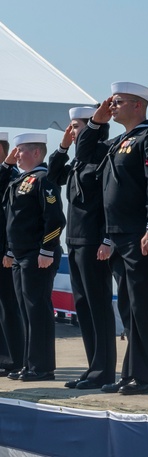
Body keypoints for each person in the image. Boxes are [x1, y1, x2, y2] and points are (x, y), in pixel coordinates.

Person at [76, 83, 148, 395]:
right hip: (118, 235)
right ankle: (132, 373)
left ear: (137, 106)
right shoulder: (118, 141)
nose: (112, 106)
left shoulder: (147, 137)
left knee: (143, 304)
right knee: (129, 306)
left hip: (139, 232)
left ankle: (147, 376)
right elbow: (86, 156)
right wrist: (95, 123)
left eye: (118, 102)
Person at [48, 107, 118, 390]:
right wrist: (63, 147)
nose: (72, 131)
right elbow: (53, 175)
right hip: (75, 242)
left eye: (76, 127)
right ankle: (93, 367)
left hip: (94, 242)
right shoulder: (78, 161)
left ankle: (104, 370)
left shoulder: (103, 156)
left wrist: (106, 239)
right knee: (83, 307)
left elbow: (109, 203)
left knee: (98, 306)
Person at [1, 133, 65, 382]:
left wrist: (47, 250)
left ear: (36, 153)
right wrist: (6, 165)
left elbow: (56, 219)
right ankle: (30, 364)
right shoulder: (20, 180)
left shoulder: (43, 179)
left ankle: (42, 367)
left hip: (36, 255)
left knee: (37, 311)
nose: (16, 156)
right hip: (19, 255)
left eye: (21, 151)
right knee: (26, 311)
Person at [0, 133, 25, 379]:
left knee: (9, 307)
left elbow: (13, 220)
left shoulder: (15, 178)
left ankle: (15, 359)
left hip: (6, 253)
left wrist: (9, 250)